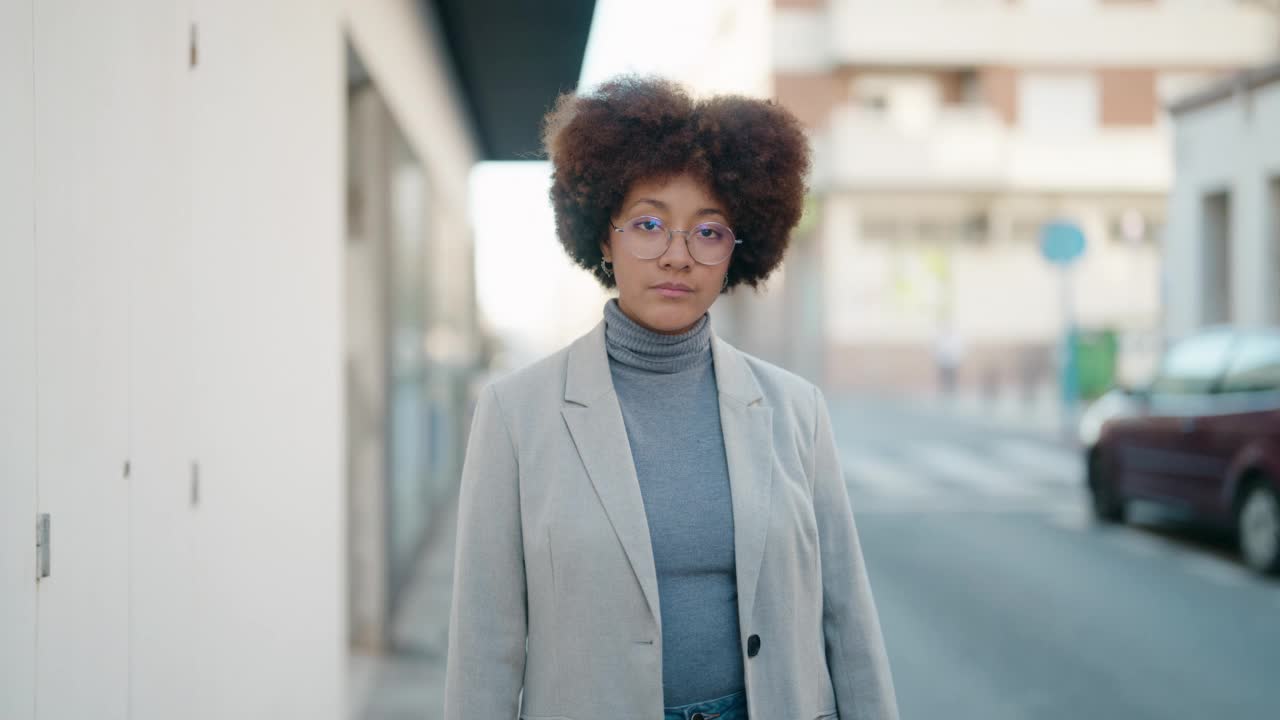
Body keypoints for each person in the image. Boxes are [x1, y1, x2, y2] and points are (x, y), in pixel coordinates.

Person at [443, 75, 898, 720]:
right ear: (605, 235)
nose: (677, 256)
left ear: (739, 249)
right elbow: (485, 643)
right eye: (650, 224)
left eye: (708, 232)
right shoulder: (517, 414)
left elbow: (846, 615)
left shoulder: (797, 410)